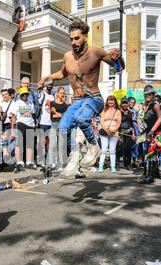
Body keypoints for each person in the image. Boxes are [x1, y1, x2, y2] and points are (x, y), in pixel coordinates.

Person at [38, 20, 125, 176]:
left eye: (77, 38)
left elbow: (119, 68)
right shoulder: (67, 56)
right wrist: (47, 77)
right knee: (63, 128)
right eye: (71, 39)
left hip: (94, 98)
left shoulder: (95, 52)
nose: (73, 42)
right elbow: (62, 74)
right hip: (78, 101)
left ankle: (93, 146)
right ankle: (77, 156)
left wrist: (118, 57)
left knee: (81, 118)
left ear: (85, 36)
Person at [138, 85, 161, 184]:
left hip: (156, 132)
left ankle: (150, 177)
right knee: (149, 153)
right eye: (146, 94)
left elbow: (160, 118)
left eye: (150, 94)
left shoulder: (155, 104)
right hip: (148, 132)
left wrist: (152, 131)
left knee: (151, 153)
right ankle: (153, 173)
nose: (147, 96)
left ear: (153, 94)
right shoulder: (147, 105)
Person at [10, 87, 37, 172]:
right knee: (19, 144)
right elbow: (13, 116)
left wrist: (35, 124)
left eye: (26, 94)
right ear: (21, 95)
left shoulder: (30, 102)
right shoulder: (17, 103)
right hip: (21, 124)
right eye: (23, 94)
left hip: (30, 124)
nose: (25, 96)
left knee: (30, 144)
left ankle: (29, 162)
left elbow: (33, 114)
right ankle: (19, 162)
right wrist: (12, 130)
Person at [98, 96, 121, 173]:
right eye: (109, 100)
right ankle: (100, 166)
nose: (110, 102)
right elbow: (101, 122)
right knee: (103, 150)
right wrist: (106, 130)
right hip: (105, 132)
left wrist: (114, 130)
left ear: (115, 102)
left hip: (114, 132)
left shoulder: (118, 111)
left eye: (112, 100)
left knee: (112, 150)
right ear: (107, 102)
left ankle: (113, 166)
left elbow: (119, 122)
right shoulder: (104, 110)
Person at [49, 87, 69, 170]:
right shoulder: (52, 103)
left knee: (61, 145)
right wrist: (60, 114)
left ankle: (60, 164)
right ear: (57, 93)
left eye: (63, 93)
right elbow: (52, 115)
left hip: (62, 125)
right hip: (54, 124)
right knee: (53, 144)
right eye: (61, 93)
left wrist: (57, 113)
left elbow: (65, 116)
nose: (62, 94)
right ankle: (52, 162)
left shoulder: (65, 105)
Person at [37, 81, 54, 167]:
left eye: (51, 85)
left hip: (50, 122)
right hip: (42, 121)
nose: (50, 86)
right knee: (42, 141)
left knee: (48, 142)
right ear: (46, 85)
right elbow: (37, 103)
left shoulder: (52, 96)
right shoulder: (42, 94)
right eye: (49, 85)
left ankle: (47, 159)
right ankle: (40, 160)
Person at [117, 97, 135, 171]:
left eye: (126, 103)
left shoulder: (130, 112)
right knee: (119, 149)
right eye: (123, 103)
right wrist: (117, 133)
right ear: (121, 104)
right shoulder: (118, 112)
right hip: (120, 132)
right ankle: (116, 164)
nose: (124, 104)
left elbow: (131, 124)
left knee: (128, 149)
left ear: (128, 104)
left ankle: (127, 164)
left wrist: (133, 134)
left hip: (129, 132)